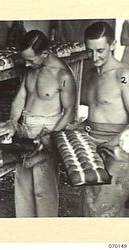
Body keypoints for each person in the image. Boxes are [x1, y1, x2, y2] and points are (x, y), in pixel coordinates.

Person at [0, 30, 77, 217]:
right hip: (26, 130)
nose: (26, 64)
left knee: (43, 188)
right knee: (23, 184)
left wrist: (49, 137)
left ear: (45, 54)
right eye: (25, 59)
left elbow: (70, 111)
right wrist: (12, 122)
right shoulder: (31, 69)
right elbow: (20, 98)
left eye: (31, 59)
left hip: (48, 131)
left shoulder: (63, 75)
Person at [79, 21, 129, 217]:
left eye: (100, 50)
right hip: (93, 147)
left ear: (113, 44)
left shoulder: (123, 75)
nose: (94, 57)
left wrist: (111, 144)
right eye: (90, 50)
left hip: (116, 149)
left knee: (107, 211)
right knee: (89, 205)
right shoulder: (93, 74)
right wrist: (80, 127)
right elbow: (98, 114)